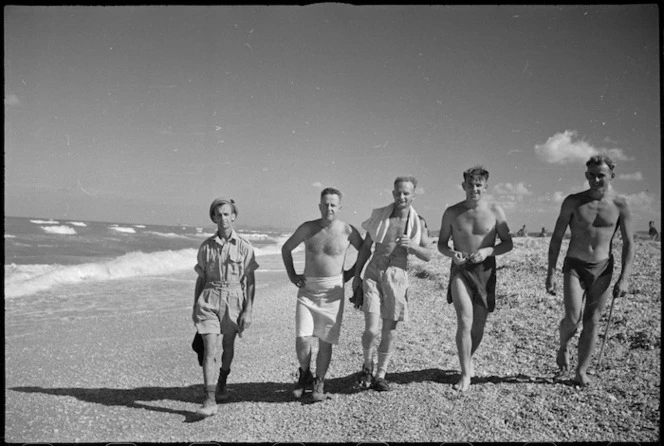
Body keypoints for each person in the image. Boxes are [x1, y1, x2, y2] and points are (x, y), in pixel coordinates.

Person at [546, 155, 634, 387]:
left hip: (603, 267)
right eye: (591, 175)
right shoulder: (573, 202)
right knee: (573, 318)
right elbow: (556, 239)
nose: (595, 180)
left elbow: (629, 243)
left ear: (611, 176)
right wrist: (551, 272)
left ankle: (581, 371)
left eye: (601, 175)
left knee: (592, 321)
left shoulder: (620, 204)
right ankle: (563, 346)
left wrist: (624, 278)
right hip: (575, 265)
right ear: (586, 175)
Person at [281, 187, 363, 401]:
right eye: (325, 204)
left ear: (340, 207)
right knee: (302, 338)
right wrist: (292, 275)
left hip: (333, 293)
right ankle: (305, 373)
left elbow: (365, 251)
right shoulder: (307, 228)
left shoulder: (348, 230)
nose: (329, 208)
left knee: (326, 341)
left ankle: (319, 381)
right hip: (308, 290)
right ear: (319, 206)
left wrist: (351, 274)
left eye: (333, 204)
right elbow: (286, 248)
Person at [351, 176, 432, 392]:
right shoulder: (380, 217)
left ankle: (380, 374)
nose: (401, 197)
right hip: (373, 272)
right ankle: (367, 367)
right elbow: (366, 248)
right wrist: (356, 277)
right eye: (398, 192)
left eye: (406, 193)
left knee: (390, 331)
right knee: (370, 329)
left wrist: (413, 246)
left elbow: (428, 255)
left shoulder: (418, 222)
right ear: (393, 193)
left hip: (397, 276)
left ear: (414, 195)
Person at [437, 166, 513, 392]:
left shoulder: (496, 211)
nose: (474, 189)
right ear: (463, 186)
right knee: (465, 320)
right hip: (460, 270)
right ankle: (465, 373)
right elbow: (441, 244)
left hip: (485, 271)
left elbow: (508, 243)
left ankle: (467, 360)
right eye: (470, 185)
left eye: (478, 185)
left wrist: (489, 251)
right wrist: (452, 254)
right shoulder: (452, 212)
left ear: (486, 187)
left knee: (479, 324)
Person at [192, 198, 259, 417]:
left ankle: (222, 381)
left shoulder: (244, 247)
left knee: (228, 346)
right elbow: (201, 279)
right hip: (209, 300)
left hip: (234, 301)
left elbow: (250, 281)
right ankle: (209, 399)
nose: (223, 218)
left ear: (234, 216)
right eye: (219, 214)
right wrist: (195, 305)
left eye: (227, 214)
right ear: (214, 218)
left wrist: (248, 310)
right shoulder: (206, 247)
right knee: (210, 350)